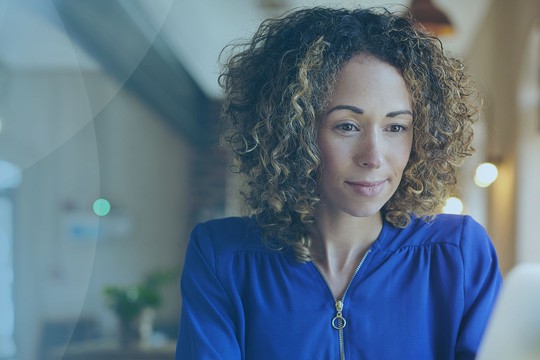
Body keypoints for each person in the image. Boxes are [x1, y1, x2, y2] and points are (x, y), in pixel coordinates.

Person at [176, 6, 502, 360]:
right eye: (346, 125)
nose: (374, 156)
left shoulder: (458, 253)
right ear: (293, 133)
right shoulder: (222, 256)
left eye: (396, 127)